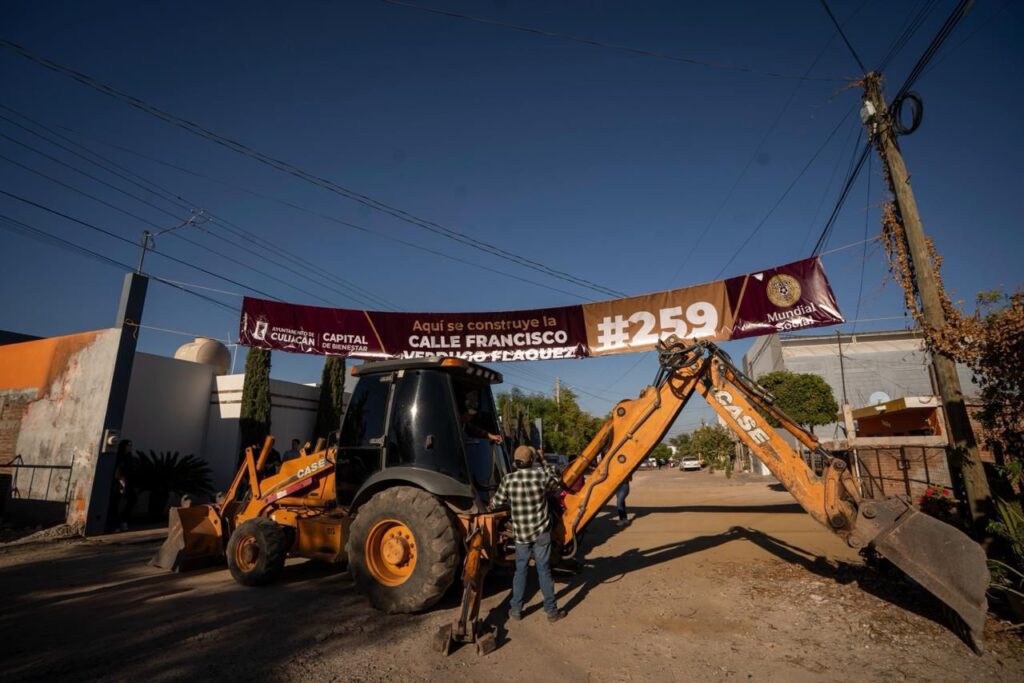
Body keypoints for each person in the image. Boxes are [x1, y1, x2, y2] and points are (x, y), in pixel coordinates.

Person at [488, 445, 566, 623]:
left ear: (516, 462)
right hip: (541, 533)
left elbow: (497, 502)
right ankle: (551, 612)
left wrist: (490, 505)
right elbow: (556, 482)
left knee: (520, 570)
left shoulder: (508, 480)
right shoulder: (540, 476)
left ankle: (516, 610)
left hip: (521, 535)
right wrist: (543, 460)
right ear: (531, 460)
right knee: (544, 570)